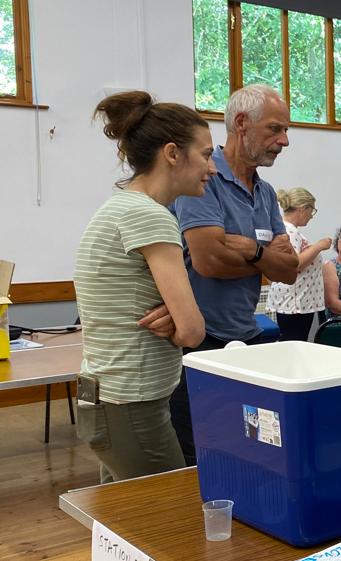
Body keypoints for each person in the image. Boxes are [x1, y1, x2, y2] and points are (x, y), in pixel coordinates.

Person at [75, 91, 209, 483]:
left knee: (126, 530)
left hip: (108, 397)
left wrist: (174, 311)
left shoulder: (119, 207)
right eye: (205, 154)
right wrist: (180, 317)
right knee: (169, 530)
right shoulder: (149, 215)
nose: (211, 168)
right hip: (129, 403)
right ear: (172, 153)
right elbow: (193, 331)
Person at [168, 83, 299, 466]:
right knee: (201, 459)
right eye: (275, 129)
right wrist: (265, 257)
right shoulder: (201, 181)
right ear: (241, 123)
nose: (285, 140)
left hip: (247, 343)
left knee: (252, 450)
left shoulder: (265, 191)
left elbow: (289, 271)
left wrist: (247, 248)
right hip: (198, 346)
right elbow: (209, 261)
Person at [266, 188, 332, 341]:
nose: (311, 217)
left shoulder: (284, 228)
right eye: (312, 210)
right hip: (295, 303)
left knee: (292, 341)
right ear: (302, 209)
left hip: (294, 300)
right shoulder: (289, 230)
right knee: (294, 343)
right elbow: (294, 264)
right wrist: (318, 246)